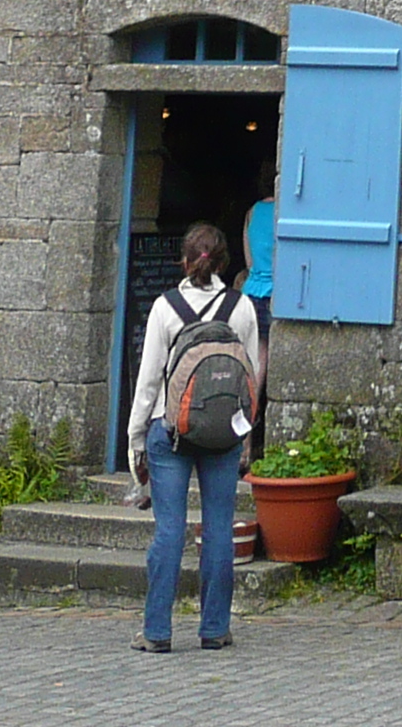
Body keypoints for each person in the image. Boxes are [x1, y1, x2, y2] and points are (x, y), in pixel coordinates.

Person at [123, 221, 261, 654]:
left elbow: (148, 382)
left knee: (169, 530)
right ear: (224, 263)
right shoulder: (242, 308)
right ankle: (215, 628)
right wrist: (246, 437)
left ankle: (157, 632)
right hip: (222, 434)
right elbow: (250, 378)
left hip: (171, 430)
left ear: (184, 261)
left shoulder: (165, 307)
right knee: (219, 529)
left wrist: (135, 439)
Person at [241, 162, 278, 464]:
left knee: (251, 369)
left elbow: (249, 259)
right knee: (265, 372)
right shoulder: (285, 213)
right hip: (274, 296)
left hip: (250, 294)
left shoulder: (252, 212)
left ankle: (244, 444)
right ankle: (252, 446)